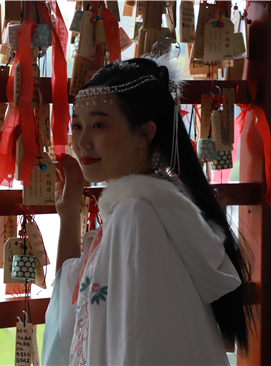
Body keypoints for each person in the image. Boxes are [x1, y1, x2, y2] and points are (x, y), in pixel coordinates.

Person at [41, 56, 253, 366]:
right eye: (77, 125)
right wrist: (68, 212)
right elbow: (72, 297)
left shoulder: (136, 216)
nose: (82, 142)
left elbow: (139, 344)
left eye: (98, 124)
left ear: (145, 133)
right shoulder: (145, 207)